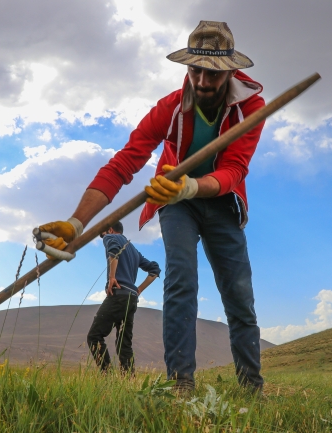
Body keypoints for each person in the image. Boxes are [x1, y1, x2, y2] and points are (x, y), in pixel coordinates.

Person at [38, 21, 265, 393]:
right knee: (181, 280)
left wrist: (193, 185)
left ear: (229, 70)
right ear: (187, 68)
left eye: (214, 73)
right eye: (196, 71)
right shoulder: (170, 108)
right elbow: (124, 163)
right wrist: (76, 223)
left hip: (222, 201)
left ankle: (252, 386)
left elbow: (235, 169)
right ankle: (181, 383)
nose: (204, 82)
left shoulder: (251, 108)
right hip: (175, 202)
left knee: (239, 296)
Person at [86, 221, 160, 374]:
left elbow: (113, 249)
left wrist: (112, 277)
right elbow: (155, 269)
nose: (103, 238)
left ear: (110, 229)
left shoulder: (110, 237)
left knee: (94, 336)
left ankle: (107, 376)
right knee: (124, 344)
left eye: (103, 235)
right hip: (131, 299)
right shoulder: (132, 249)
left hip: (118, 295)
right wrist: (138, 289)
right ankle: (128, 380)